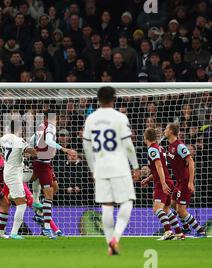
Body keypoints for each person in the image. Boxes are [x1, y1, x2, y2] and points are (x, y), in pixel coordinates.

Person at [83, 87, 140, 255]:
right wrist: (135, 166)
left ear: (98, 99)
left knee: (106, 206)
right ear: (114, 98)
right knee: (127, 201)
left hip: (100, 167)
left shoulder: (91, 119)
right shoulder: (120, 117)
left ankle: (110, 245)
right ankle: (116, 237)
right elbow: (128, 145)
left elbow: (87, 147)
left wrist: (93, 168)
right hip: (119, 167)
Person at [29, 110, 74, 239]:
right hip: (42, 164)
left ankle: (40, 210)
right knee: (49, 195)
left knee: (55, 187)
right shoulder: (50, 127)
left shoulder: (41, 127)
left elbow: (32, 139)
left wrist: (29, 149)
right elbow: (48, 140)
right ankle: (47, 229)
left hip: (44, 162)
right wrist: (64, 149)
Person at [164, 123, 207, 238]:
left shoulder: (179, 146)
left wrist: (190, 182)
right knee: (172, 204)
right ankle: (186, 228)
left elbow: (191, 161)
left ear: (171, 131)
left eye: (166, 129)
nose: (164, 130)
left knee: (181, 210)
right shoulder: (170, 146)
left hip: (184, 181)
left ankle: (201, 230)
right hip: (179, 181)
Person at [141, 128, 184, 240]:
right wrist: (149, 179)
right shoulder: (161, 148)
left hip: (162, 182)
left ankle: (168, 231)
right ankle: (179, 233)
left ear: (146, 138)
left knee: (157, 208)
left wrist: (163, 183)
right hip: (167, 180)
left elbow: (159, 166)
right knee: (165, 209)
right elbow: (160, 168)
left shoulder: (152, 149)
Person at [0, 122, 37, 239]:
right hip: (14, 175)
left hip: (10, 172)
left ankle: (34, 199)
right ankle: (14, 233)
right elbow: (31, 151)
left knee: (33, 178)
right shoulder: (19, 140)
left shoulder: (3, 138)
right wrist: (41, 151)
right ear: (20, 128)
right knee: (22, 204)